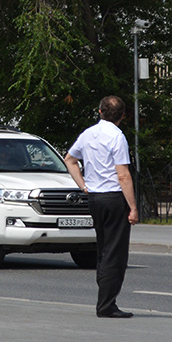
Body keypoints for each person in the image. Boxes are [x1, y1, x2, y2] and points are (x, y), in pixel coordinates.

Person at [64, 95, 140, 319]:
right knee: (115, 253)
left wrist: (83, 185)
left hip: (95, 198)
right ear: (123, 116)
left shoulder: (88, 134)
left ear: (100, 112)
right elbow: (123, 175)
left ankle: (104, 300)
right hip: (114, 198)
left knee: (103, 248)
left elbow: (69, 159)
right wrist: (133, 207)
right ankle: (107, 304)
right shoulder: (117, 137)